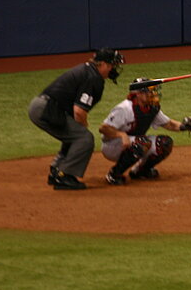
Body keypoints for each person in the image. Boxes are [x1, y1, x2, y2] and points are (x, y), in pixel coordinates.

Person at [28, 48, 124, 190]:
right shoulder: (93, 78)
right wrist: (82, 127)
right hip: (47, 109)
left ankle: (57, 170)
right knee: (84, 138)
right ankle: (64, 175)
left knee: (74, 136)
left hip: (42, 106)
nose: (113, 69)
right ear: (103, 64)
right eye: (112, 65)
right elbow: (79, 111)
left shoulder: (88, 71)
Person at [98, 79, 191, 185]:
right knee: (141, 142)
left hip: (135, 143)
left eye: (153, 91)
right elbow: (103, 128)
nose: (153, 94)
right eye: (149, 91)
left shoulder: (151, 107)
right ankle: (114, 174)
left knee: (164, 143)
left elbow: (168, 124)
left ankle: (140, 171)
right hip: (113, 145)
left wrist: (185, 126)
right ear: (138, 94)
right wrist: (121, 134)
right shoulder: (124, 108)